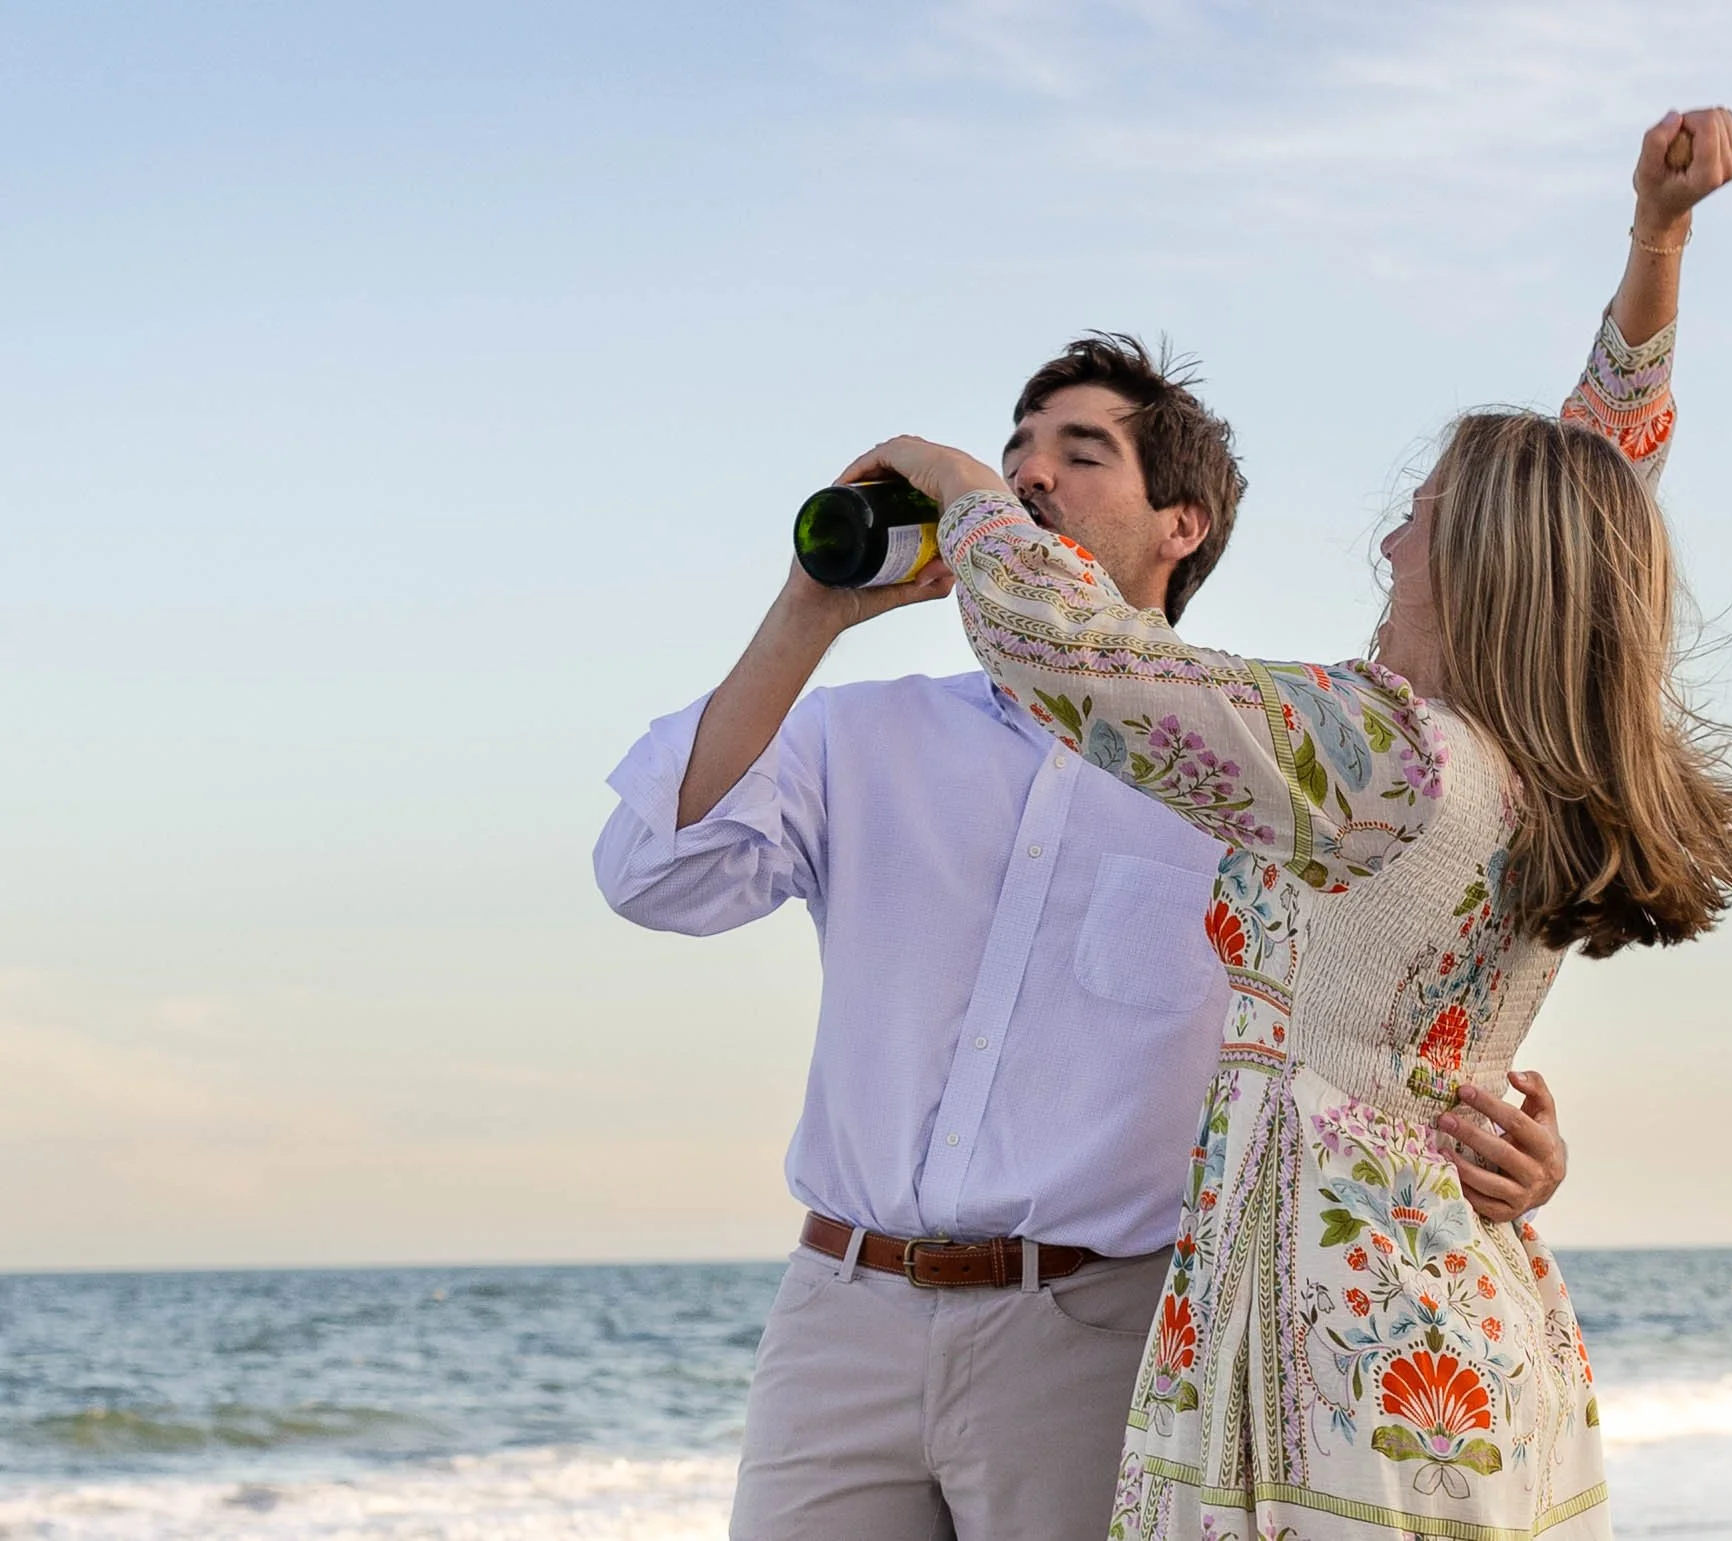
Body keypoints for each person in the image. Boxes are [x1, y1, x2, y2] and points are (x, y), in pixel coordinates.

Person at [590, 152, 1616, 1539]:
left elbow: (1392, 985)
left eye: (1080, 453)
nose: (1026, 476)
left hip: (1097, 1324)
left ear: (1179, 524)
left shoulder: (1271, 767)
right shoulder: (866, 737)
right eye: (1012, 453)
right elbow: (655, 876)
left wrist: (1479, 1129)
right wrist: (807, 615)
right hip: (837, 1316)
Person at [839, 107, 1732, 1541]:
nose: (1389, 539)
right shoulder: (1531, 765)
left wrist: (967, 493)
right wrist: (1656, 247)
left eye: (1420, 512)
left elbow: (1079, 660)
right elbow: (1598, 485)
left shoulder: (1384, 757)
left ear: (1478, 558)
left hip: (1327, 1334)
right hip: (1456, 1316)